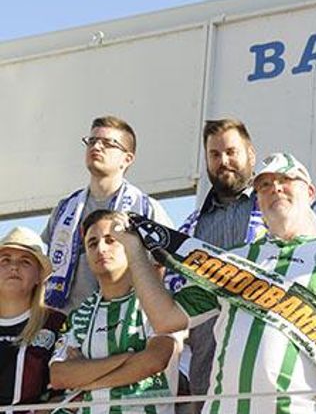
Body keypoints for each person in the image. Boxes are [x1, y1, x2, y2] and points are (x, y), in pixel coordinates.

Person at [118, 152, 316, 414]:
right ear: (258, 200)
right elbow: (165, 319)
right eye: (264, 185)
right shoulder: (231, 260)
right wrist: (133, 250)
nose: (276, 188)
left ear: (309, 192)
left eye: (286, 179)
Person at [50, 210, 182, 414]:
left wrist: (88, 380)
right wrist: (129, 357)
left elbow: (155, 360)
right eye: (92, 243)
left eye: (111, 240)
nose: (101, 248)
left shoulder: (158, 303)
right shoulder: (80, 314)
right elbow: (60, 376)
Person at [175, 118, 266, 413]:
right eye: (214, 154)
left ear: (250, 154)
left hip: (264, 369)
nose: (223, 161)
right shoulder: (190, 227)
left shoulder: (275, 208)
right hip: (207, 375)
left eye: (231, 152)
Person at [42, 116, 173, 314]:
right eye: (92, 141)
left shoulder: (146, 209)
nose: (96, 147)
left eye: (108, 143)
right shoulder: (64, 209)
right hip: (66, 321)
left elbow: (162, 268)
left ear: (127, 159)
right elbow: (45, 266)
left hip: (122, 320)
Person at [0, 226, 66, 408]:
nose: (14, 267)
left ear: (39, 276)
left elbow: (66, 393)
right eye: (5, 260)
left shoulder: (56, 323)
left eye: (25, 261)